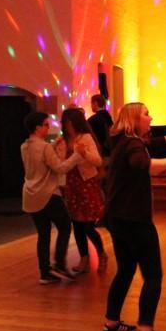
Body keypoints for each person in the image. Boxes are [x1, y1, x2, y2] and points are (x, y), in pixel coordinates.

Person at [103, 102, 166, 331]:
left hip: (117, 217)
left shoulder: (124, 141)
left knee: (125, 270)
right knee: (153, 275)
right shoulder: (133, 144)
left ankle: (111, 323)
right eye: (146, 114)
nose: (151, 118)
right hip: (134, 219)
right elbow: (142, 164)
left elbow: (155, 145)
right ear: (134, 119)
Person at [21, 112, 84, 284]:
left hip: (30, 194)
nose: (48, 127)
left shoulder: (24, 146)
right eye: (46, 125)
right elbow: (60, 168)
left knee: (43, 234)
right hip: (48, 193)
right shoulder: (45, 147)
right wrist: (77, 155)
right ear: (38, 127)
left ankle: (45, 272)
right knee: (65, 226)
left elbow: (39, 157)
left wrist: (54, 144)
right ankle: (59, 264)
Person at [56, 108, 108, 275]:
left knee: (88, 226)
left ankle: (101, 254)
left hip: (86, 184)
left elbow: (97, 161)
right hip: (71, 186)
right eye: (65, 123)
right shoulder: (62, 140)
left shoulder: (85, 138)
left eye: (70, 123)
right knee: (77, 225)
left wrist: (84, 152)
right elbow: (60, 164)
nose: (68, 126)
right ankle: (83, 258)